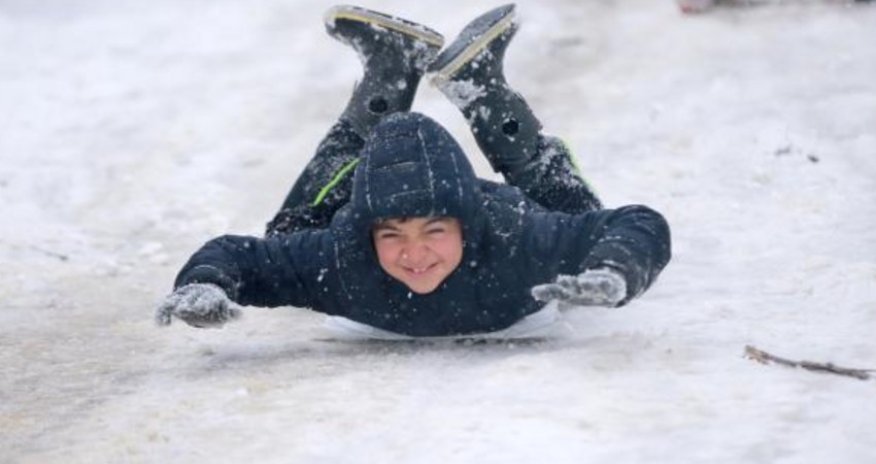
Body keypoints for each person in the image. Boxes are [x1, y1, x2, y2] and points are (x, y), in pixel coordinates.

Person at [155, 4, 671, 338]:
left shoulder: (519, 241)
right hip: (365, 225)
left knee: (577, 215)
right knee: (292, 236)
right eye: (392, 234)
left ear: (466, 224)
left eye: (435, 230)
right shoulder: (338, 258)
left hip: (508, 220)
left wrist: (615, 271)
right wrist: (206, 283)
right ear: (366, 231)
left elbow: (637, 223)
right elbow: (237, 256)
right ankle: (435, 77)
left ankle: (436, 80)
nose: (415, 252)